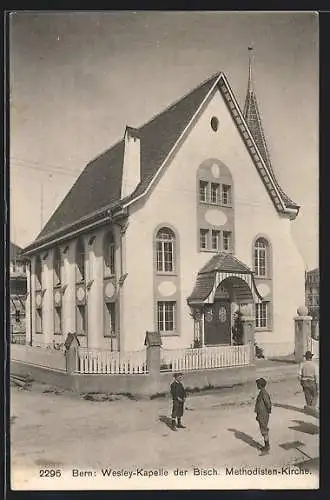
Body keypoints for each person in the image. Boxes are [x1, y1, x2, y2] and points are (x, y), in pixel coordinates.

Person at [255, 378, 272, 454]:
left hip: (263, 414)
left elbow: (268, 404)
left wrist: (267, 412)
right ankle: (266, 445)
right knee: (263, 430)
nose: (257, 386)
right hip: (261, 414)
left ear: (260, 385)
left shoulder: (263, 393)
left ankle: (267, 446)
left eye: (257, 384)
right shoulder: (262, 392)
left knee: (264, 430)